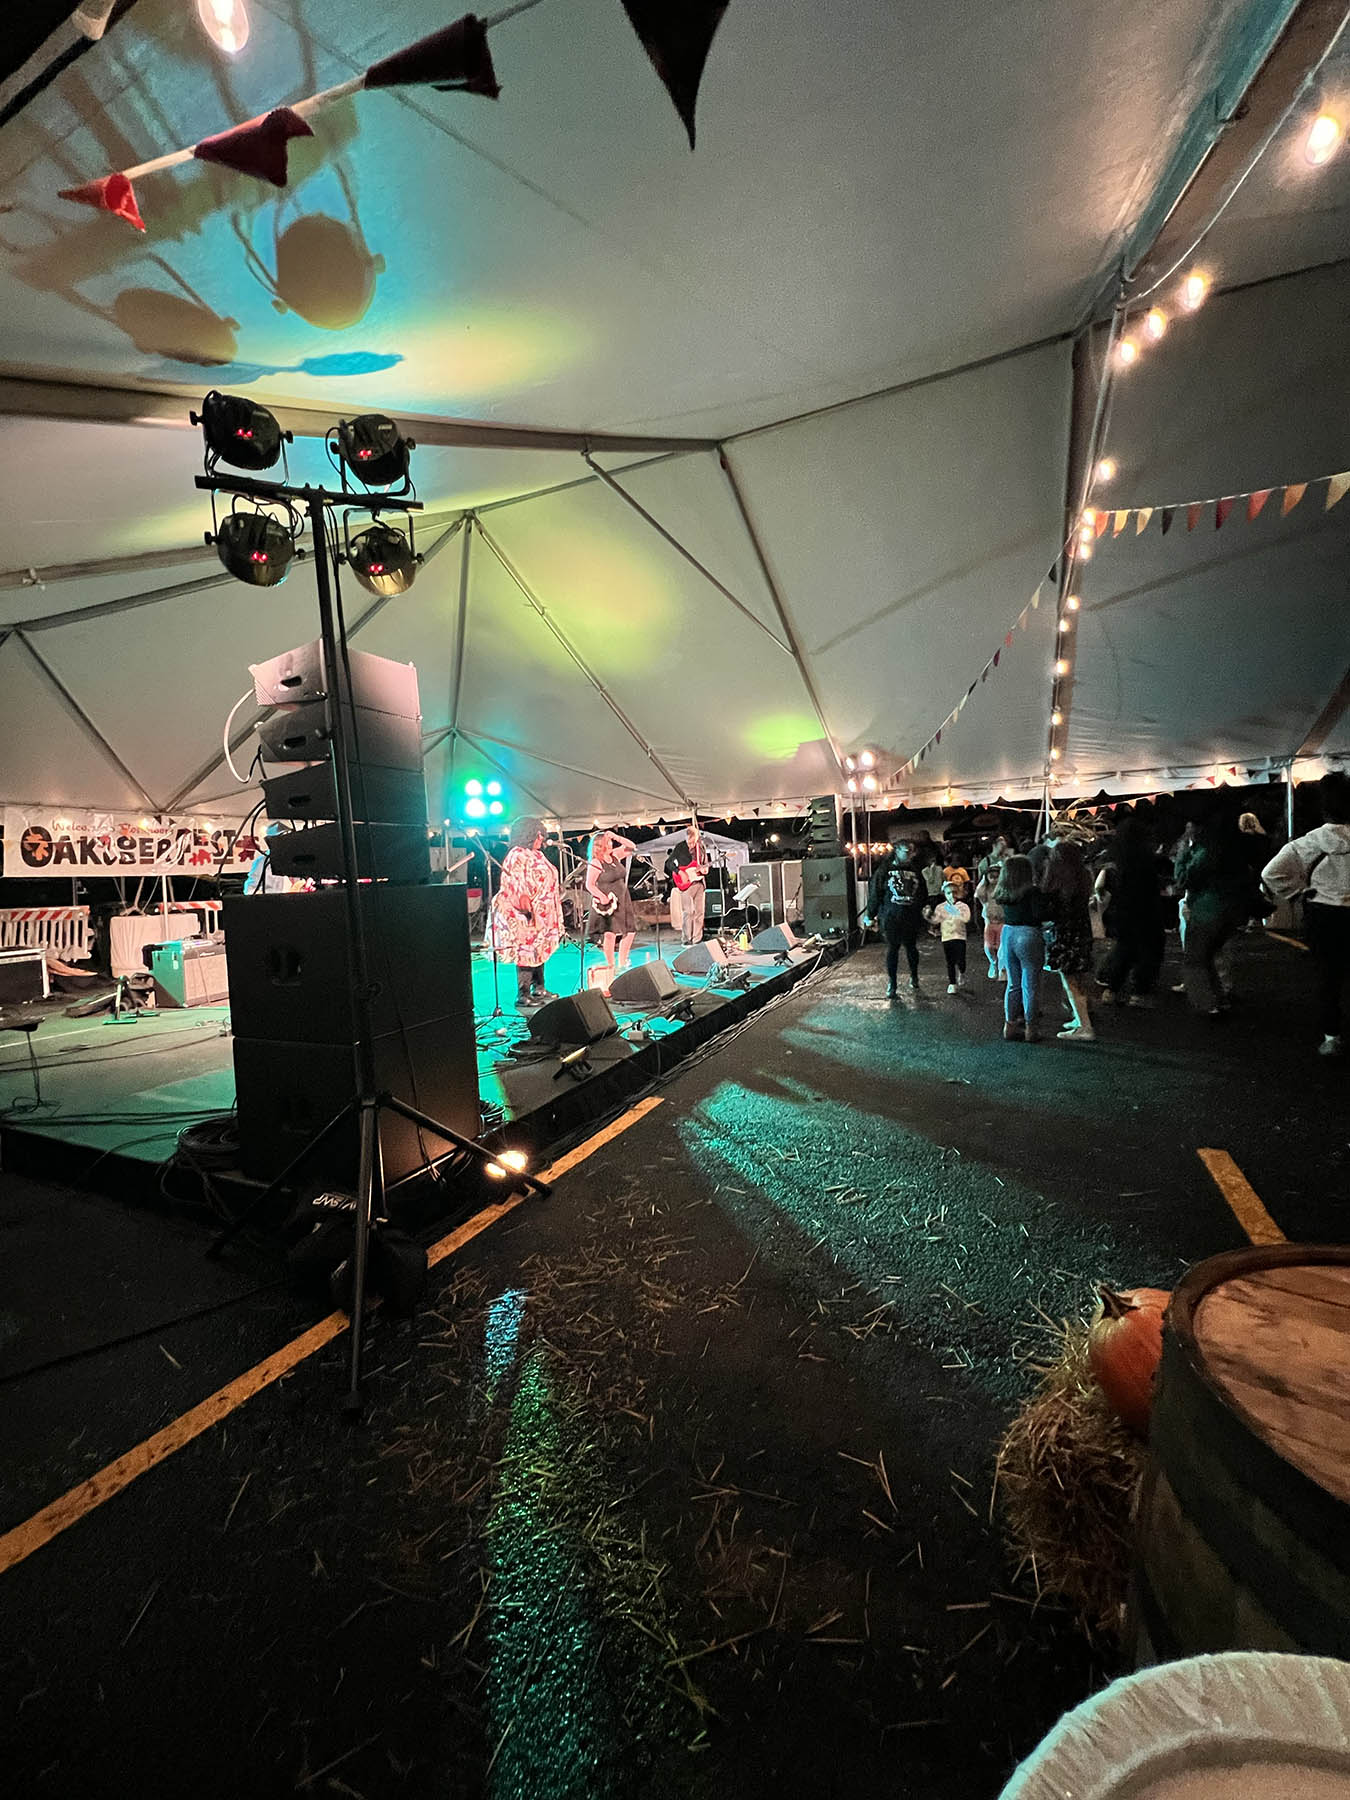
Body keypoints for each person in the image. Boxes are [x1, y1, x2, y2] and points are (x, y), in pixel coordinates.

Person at [1260, 771, 1350, 1056]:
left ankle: (1331, 1037)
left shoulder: (1307, 843)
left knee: (1329, 977)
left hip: (1323, 915)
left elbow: (1270, 873)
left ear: (1324, 808)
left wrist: (1298, 892)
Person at [1174, 817, 1251, 1016]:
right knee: (1212, 956)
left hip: (1206, 910)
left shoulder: (1203, 852)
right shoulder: (1232, 851)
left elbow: (1184, 878)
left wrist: (1182, 857)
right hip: (1230, 910)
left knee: (1196, 958)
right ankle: (1221, 997)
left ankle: (1208, 1003)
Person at [488, 815, 564, 1008]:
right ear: (529, 834)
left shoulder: (537, 854)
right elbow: (514, 883)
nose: (541, 839)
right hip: (524, 914)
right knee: (526, 951)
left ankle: (539, 987)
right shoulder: (517, 854)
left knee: (539, 949)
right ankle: (523, 993)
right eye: (539, 835)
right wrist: (526, 906)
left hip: (543, 913)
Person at [1095, 818, 1166, 1007]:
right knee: (1148, 951)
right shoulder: (1146, 859)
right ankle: (1139, 992)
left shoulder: (1116, 856)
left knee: (1124, 949)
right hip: (1146, 910)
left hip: (1122, 909)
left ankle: (1112, 988)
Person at [1042, 839, 1097, 1041]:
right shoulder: (1083, 878)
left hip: (1065, 934)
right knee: (1078, 979)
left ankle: (1085, 1026)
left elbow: (1050, 909)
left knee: (1071, 981)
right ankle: (1079, 1019)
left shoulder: (1059, 885)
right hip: (1082, 931)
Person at [864, 839, 928, 998]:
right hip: (891, 916)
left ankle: (914, 976)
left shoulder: (915, 870)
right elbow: (876, 893)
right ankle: (892, 983)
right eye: (906, 852)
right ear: (897, 851)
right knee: (893, 949)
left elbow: (922, 892)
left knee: (911, 948)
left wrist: (925, 907)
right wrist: (870, 915)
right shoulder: (884, 870)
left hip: (910, 916)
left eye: (911, 852)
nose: (909, 855)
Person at [994, 854, 1047, 1041]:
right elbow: (1041, 914)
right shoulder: (1033, 892)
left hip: (1008, 933)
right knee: (1030, 984)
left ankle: (1009, 1025)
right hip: (1029, 934)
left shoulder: (1003, 891)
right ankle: (1031, 1028)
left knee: (1013, 983)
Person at [586, 830, 640, 985]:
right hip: (608, 901)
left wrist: (616, 837)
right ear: (599, 846)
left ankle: (622, 962)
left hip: (623, 897)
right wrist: (601, 896)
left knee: (629, 931)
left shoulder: (615, 856)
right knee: (610, 934)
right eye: (607, 842)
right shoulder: (596, 862)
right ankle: (611, 965)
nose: (610, 844)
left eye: (610, 842)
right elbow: (589, 884)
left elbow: (632, 847)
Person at [927, 879, 972, 993]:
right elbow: (936, 920)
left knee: (961, 960)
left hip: (960, 936)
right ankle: (952, 983)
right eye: (948, 893)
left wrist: (951, 909)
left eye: (953, 892)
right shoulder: (940, 907)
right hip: (947, 937)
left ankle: (961, 972)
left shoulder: (963, 906)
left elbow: (966, 918)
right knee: (950, 961)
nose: (951, 895)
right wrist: (928, 916)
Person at [671, 821, 709, 946]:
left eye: (693, 842)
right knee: (688, 912)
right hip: (686, 884)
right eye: (689, 842)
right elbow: (669, 863)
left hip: (699, 883)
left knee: (700, 912)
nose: (691, 845)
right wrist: (680, 872)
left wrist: (705, 869)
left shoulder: (701, 848)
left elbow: (704, 865)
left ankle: (697, 939)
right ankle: (686, 939)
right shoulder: (680, 847)